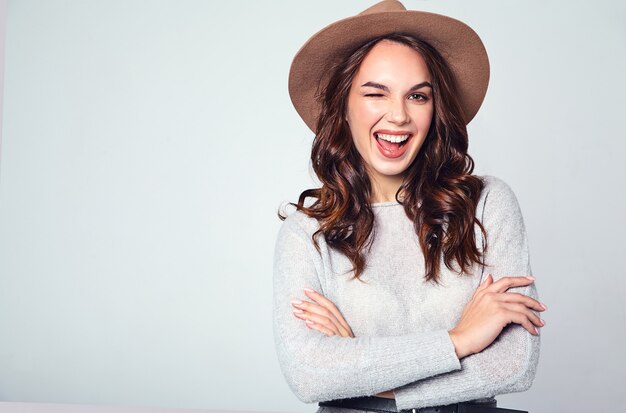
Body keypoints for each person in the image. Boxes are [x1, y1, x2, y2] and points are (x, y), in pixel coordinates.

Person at [273, 1, 546, 412]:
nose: (398, 115)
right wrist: (459, 340)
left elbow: (512, 365)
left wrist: (365, 372)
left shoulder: (487, 205)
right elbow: (310, 376)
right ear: (344, 107)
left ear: (435, 110)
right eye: (375, 93)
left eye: (417, 96)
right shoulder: (306, 233)